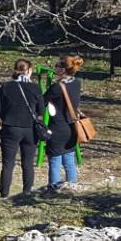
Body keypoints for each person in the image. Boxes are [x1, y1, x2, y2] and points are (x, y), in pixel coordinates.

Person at [0, 58, 46, 198]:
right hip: (30, 128)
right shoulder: (35, 88)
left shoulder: (6, 86)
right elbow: (41, 110)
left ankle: (4, 194)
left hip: (10, 126)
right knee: (28, 163)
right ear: (29, 71)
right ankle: (27, 192)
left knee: (8, 163)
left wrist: (7, 117)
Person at [44, 55, 85, 191]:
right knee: (69, 160)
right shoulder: (77, 83)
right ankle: (72, 187)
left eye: (56, 66)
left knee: (55, 161)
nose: (54, 68)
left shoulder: (56, 88)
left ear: (62, 70)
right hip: (72, 127)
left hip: (57, 128)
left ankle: (54, 189)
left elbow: (42, 102)